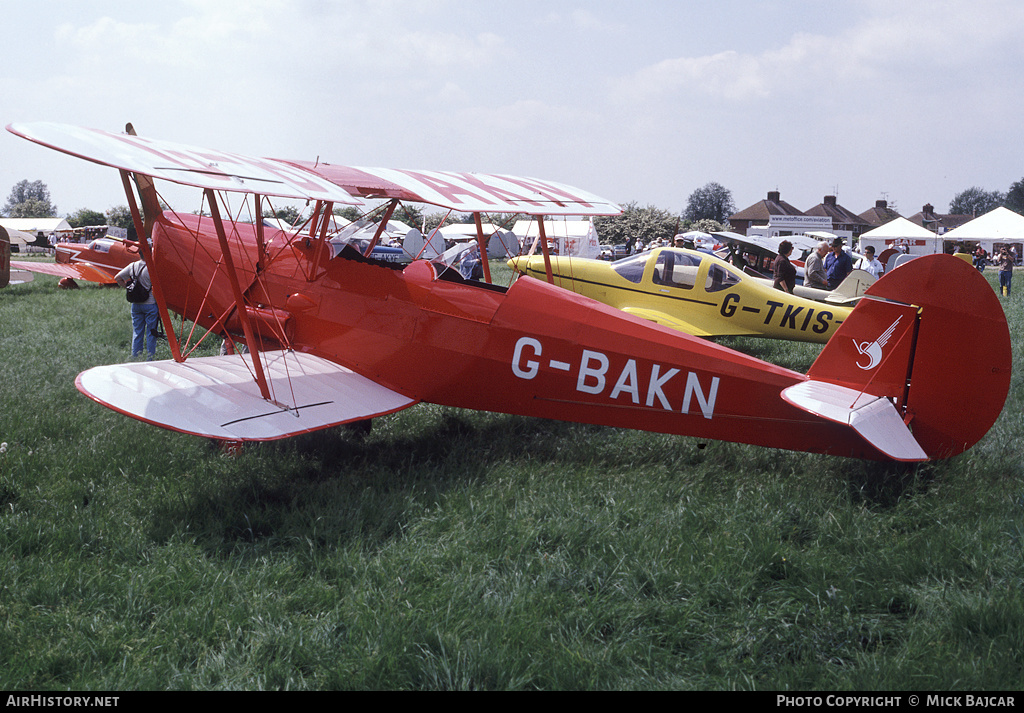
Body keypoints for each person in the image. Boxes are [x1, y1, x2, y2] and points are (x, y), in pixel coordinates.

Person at [115, 258, 160, 360]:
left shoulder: (133, 266)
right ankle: (150, 359)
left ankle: (135, 358)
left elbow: (117, 278)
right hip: (150, 304)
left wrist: (128, 288)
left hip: (135, 304)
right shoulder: (151, 268)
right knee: (151, 333)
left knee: (137, 332)